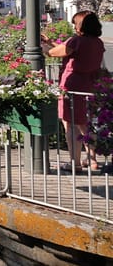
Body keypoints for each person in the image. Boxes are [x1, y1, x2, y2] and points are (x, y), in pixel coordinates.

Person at [42, 10, 106, 171]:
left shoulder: (77, 41)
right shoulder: (97, 42)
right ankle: (92, 160)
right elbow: (69, 50)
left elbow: (54, 53)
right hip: (89, 86)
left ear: (79, 25)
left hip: (73, 87)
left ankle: (75, 163)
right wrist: (51, 41)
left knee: (69, 123)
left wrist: (40, 46)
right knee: (86, 124)